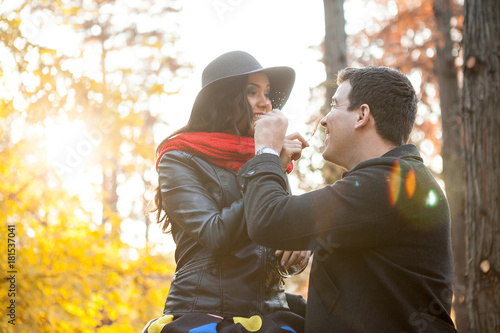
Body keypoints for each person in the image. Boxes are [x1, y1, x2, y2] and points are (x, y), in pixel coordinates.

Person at [237, 66, 458, 332]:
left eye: (334, 105)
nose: (323, 120)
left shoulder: (390, 183)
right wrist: (314, 236)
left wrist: (265, 151)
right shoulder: (387, 181)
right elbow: (356, 308)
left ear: (362, 115)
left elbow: (268, 220)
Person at [143, 51, 311, 333]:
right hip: (206, 316)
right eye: (251, 91)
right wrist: (269, 161)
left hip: (272, 315)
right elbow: (216, 233)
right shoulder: (179, 158)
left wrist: (299, 247)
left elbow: (276, 246)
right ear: (224, 99)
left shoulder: (266, 161)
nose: (265, 102)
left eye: (268, 92)